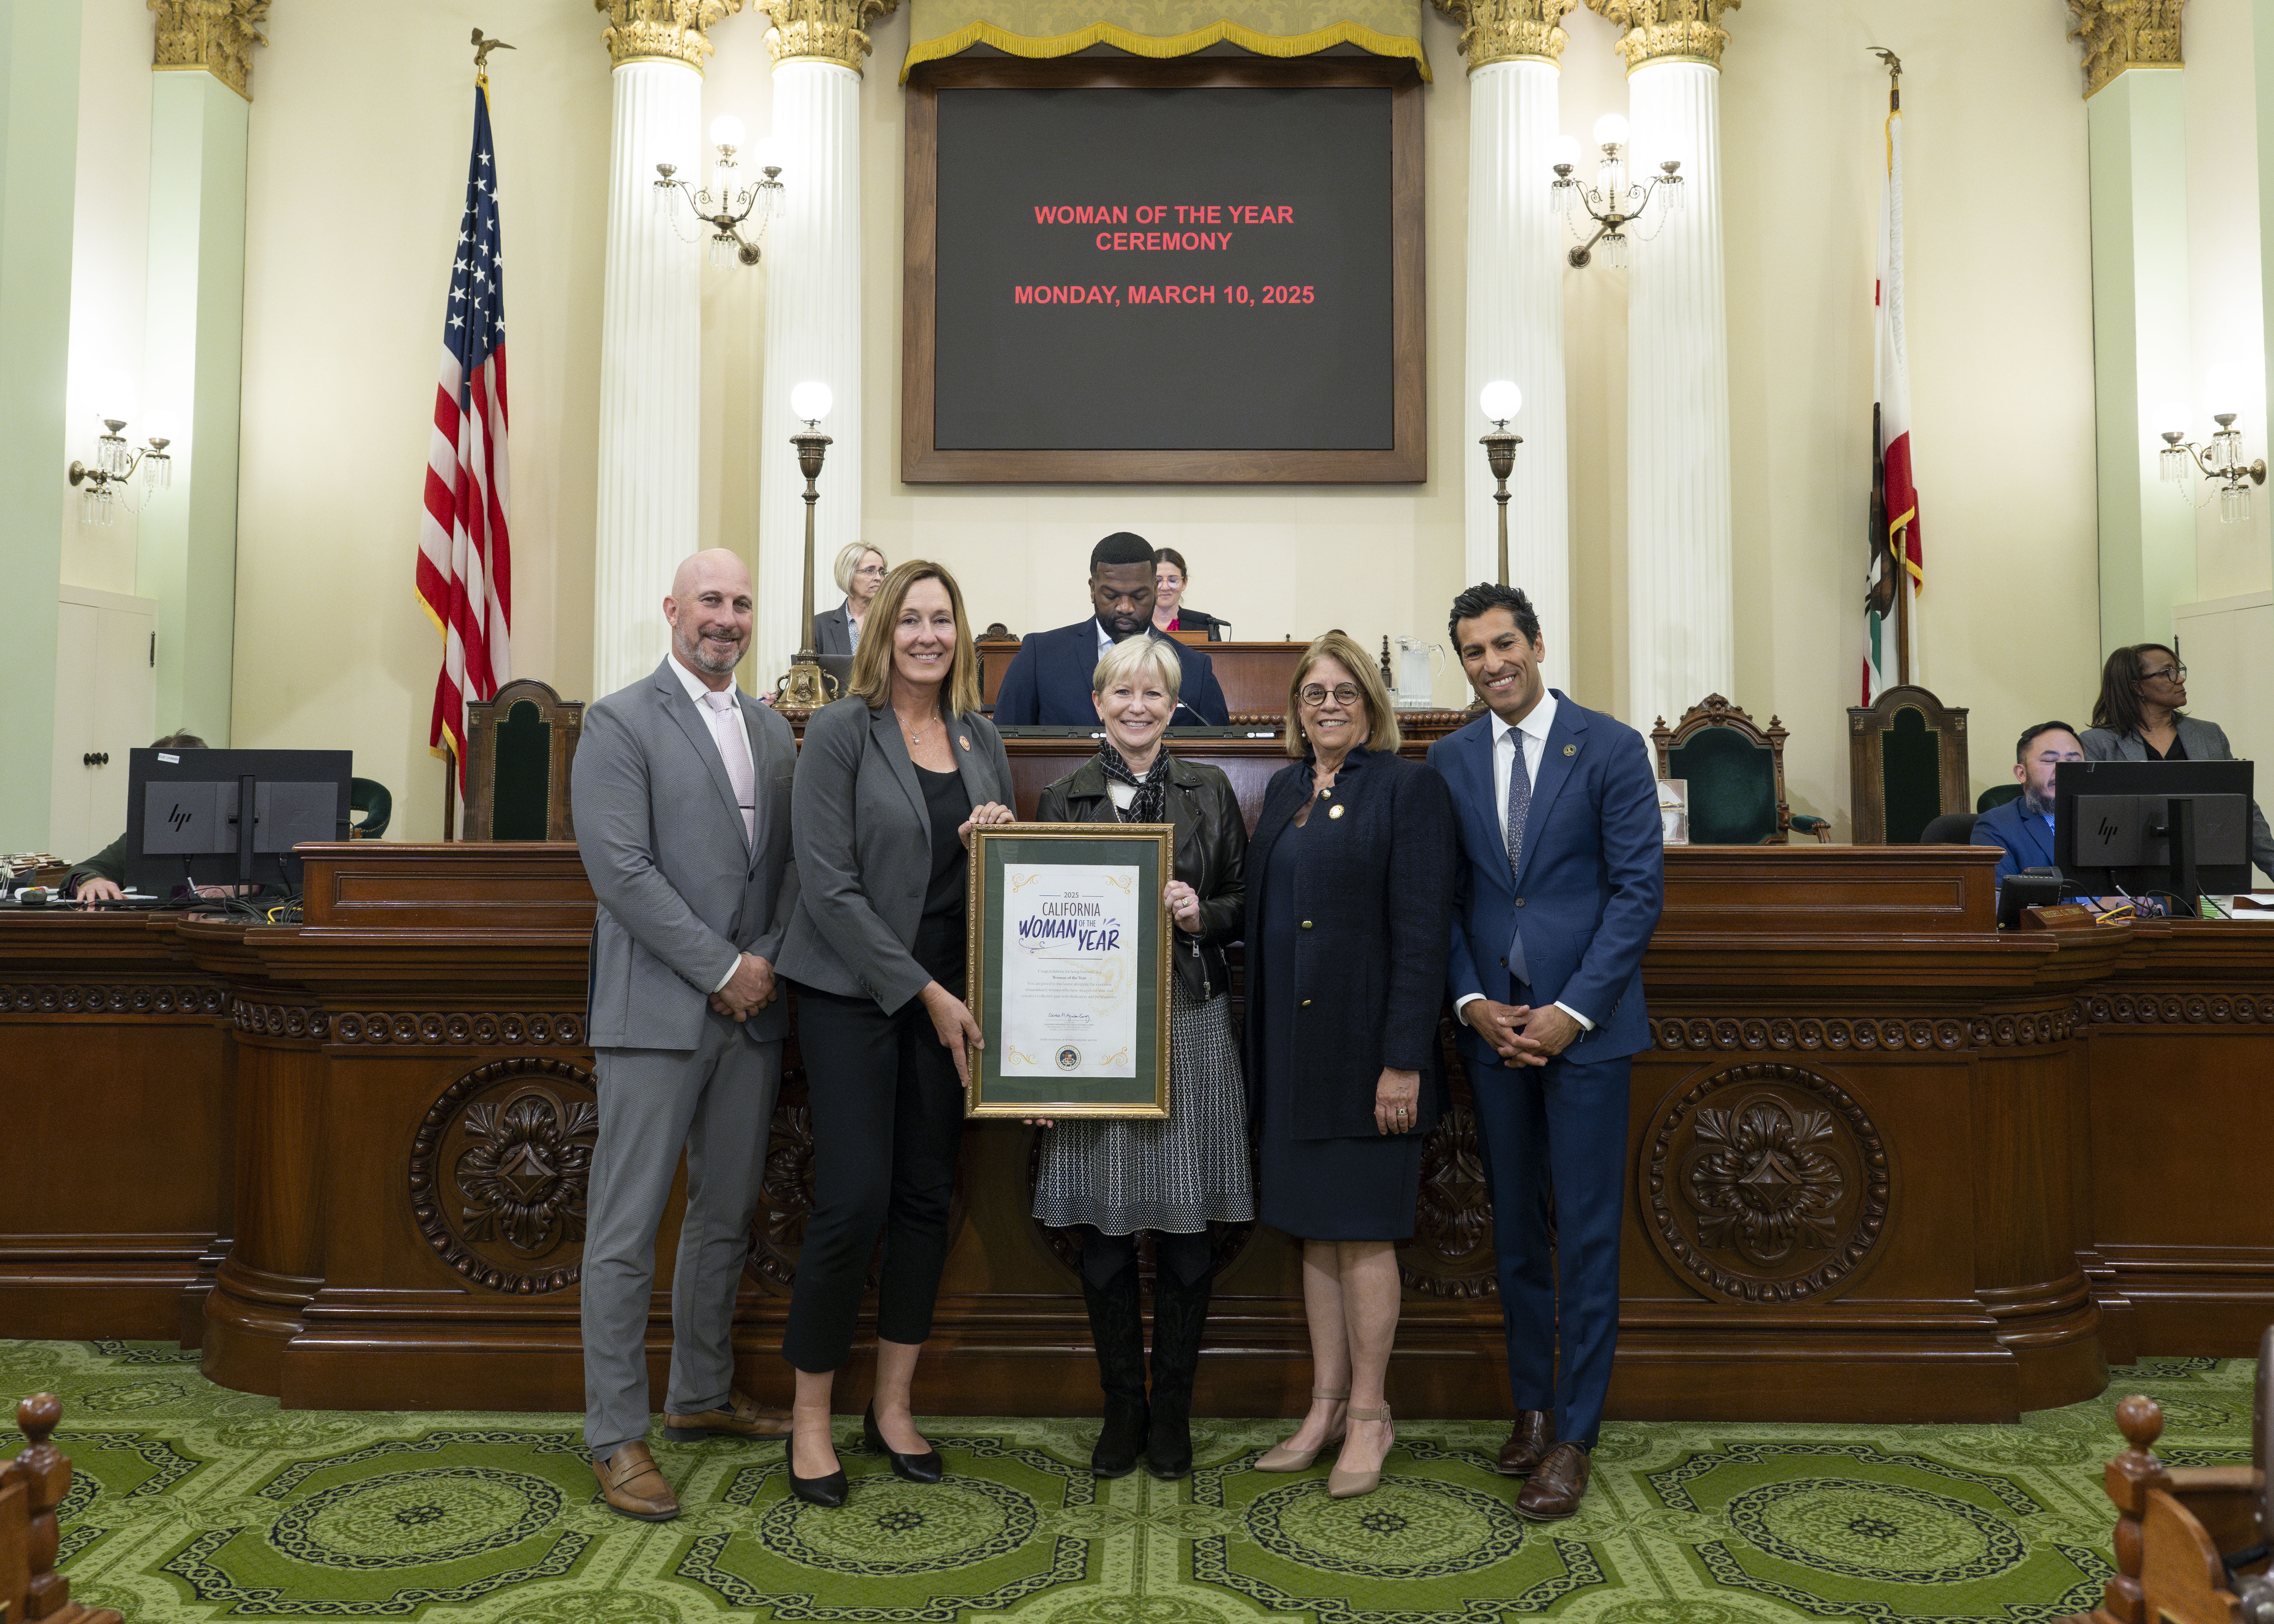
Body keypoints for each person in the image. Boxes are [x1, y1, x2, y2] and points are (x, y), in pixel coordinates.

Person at [773, 559, 1018, 1507]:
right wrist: (921, 991)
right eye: (911, 619)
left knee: (925, 1199)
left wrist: (990, 839)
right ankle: (808, 1419)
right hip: (853, 993)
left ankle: (893, 1406)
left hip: (950, 1000)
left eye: (941, 620)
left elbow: (993, 877)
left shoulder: (981, 737)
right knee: (853, 1202)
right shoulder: (840, 729)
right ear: (884, 632)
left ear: (959, 636)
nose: (926, 635)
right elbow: (827, 886)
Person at [569, 548, 803, 1522]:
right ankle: (616, 1436)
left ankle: (699, 1396)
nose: (728, 618)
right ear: (671, 609)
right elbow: (620, 871)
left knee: (724, 1216)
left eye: (743, 604)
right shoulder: (619, 721)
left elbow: (795, 867)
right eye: (711, 600)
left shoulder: (772, 730)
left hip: (751, 1016)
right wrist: (721, 968)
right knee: (625, 1233)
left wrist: (767, 962)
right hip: (657, 1014)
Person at [1426, 582, 1663, 1521]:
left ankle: (1574, 1435)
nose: (1492, 664)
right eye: (1475, 652)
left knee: (1589, 1237)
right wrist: (1473, 1000)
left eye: (1504, 644)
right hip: (1491, 1032)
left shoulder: (1608, 746)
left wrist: (1572, 1010)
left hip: (1588, 1038)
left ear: (1537, 642)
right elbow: (1440, 898)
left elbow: (1637, 893)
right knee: (1516, 1236)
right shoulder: (1444, 759)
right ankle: (1531, 1406)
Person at [1031, 634, 1252, 1482]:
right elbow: (1035, 934)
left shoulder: (1211, 789)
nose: (1137, 705)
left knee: (1190, 1240)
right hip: (1092, 1035)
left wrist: (1202, 912)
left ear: (1172, 704)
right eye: (1121, 690)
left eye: (1153, 693)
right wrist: (1037, 1067)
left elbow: (1242, 903)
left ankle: (1173, 1414)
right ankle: (1122, 1409)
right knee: (1107, 1238)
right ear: (1098, 702)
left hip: (1190, 1020)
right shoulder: (1064, 797)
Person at [1244, 632, 1455, 1501]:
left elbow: (1422, 934)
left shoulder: (1410, 788)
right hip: (1292, 1056)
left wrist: (1402, 1060)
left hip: (1367, 1057)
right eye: (1312, 693)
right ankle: (1324, 1405)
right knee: (1315, 1232)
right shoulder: (1289, 789)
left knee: (1363, 1233)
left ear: (1372, 705)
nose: (1327, 705)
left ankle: (1371, 1410)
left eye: (1345, 692)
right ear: (1295, 708)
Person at [2080, 643, 2274, 883]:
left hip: (2206, 874)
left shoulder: (2208, 735)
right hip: (2130, 882)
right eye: (2167, 672)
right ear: (2137, 687)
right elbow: (2091, 825)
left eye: (2179, 670)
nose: (2180, 679)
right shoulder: (2097, 743)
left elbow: (2243, 809)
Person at [992, 532, 1230, 726]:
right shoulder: (1040, 657)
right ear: (1093, 589)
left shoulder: (1194, 669)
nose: (1125, 608)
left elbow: (1218, 762)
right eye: (1111, 595)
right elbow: (1004, 752)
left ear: (1156, 591)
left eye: (1139, 596)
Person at [71, 733, 208, 901]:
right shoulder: (149, 835)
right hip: (158, 924)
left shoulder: (236, 832)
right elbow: (85, 870)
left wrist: (248, 887)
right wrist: (91, 882)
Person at [1974, 722, 2083, 885]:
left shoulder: (2113, 818)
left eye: (2073, 761)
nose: (2064, 769)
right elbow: (1998, 904)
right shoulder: (1996, 827)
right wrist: (2090, 910)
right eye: (2049, 760)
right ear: (2022, 773)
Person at [814, 542, 887, 658]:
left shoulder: (891, 621)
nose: (878, 578)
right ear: (848, 574)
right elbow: (806, 673)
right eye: (870, 571)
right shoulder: (820, 625)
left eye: (882, 572)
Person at [1151, 547, 1227, 640]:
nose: (1165, 587)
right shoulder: (1136, 626)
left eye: (1173, 580)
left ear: (1185, 583)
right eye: (1158, 580)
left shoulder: (1205, 626)